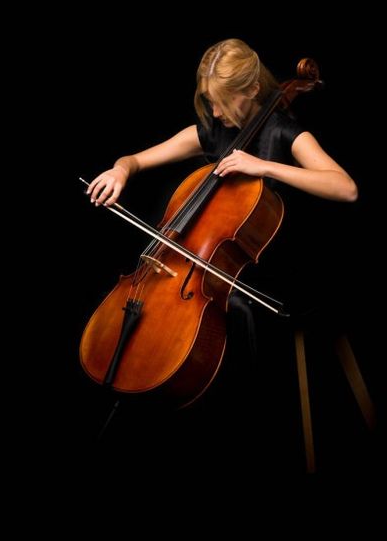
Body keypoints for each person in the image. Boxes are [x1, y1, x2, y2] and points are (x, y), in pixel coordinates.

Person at [87, 38, 358, 421]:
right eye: (208, 100)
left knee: (242, 312)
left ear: (250, 89)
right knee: (220, 309)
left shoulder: (286, 133)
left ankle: (249, 416)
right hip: (221, 270)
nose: (214, 111)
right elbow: (134, 160)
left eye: (221, 100)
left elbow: (345, 188)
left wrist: (265, 167)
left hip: (279, 269)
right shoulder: (210, 131)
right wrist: (120, 169)